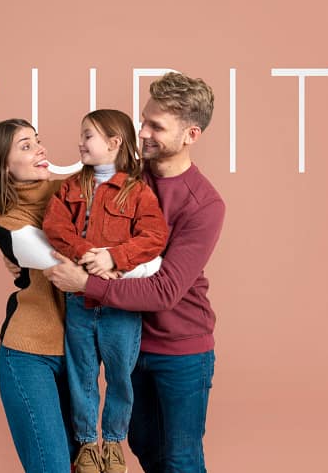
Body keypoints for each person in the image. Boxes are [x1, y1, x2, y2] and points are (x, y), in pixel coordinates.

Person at [43, 72, 225, 473]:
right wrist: (16, 243)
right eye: (143, 120)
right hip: (129, 341)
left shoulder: (204, 204)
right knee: (144, 450)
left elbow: (164, 291)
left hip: (180, 350)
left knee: (180, 462)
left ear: (191, 135)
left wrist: (85, 284)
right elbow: (65, 207)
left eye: (156, 126)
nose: (141, 132)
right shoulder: (126, 176)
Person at [42, 109, 168, 473]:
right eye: (81, 136)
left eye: (88, 136)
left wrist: (115, 258)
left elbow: (155, 237)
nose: (80, 143)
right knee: (81, 375)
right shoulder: (71, 186)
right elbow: (55, 225)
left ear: (114, 143)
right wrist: (84, 253)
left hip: (121, 308)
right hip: (80, 302)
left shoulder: (137, 191)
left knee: (119, 377)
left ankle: (112, 443)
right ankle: (85, 444)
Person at [0, 118, 77, 473]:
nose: (40, 149)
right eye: (26, 146)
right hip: (29, 354)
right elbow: (65, 265)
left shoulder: (71, 190)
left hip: (76, 355)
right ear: (3, 164)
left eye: (38, 141)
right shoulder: (4, 220)